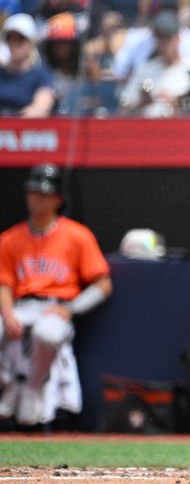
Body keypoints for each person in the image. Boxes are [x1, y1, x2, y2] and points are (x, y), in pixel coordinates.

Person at [0, 163, 112, 426]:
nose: (36, 198)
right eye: (33, 192)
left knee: (48, 332)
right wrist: (7, 313)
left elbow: (103, 284)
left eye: (43, 193)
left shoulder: (77, 235)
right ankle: (9, 385)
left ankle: (32, 388)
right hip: (21, 306)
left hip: (55, 308)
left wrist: (71, 309)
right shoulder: (9, 239)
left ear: (57, 199)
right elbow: (4, 284)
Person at [0, 13, 56, 117]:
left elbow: (41, 107)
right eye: (9, 38)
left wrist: (11, 120)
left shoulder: (41, 75)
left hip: (23, 129)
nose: (14, 43)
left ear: (31, 42)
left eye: (20, 38)